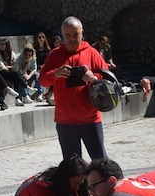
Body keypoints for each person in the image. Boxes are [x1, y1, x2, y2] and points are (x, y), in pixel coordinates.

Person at [39, 16, 109, 160]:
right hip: (65, 122)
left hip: (90, 120)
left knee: (101, 163)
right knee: (73, 169)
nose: (72, 38)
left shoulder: (92, 53)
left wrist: (93, 78)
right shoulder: (54, 55)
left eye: (76, 34)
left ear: (82, 33)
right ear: (62, 35)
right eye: (68, 35)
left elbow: (108, 80)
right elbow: (43, 81)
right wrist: (55, 73)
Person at [0, 39, 31, 106]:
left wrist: (9, 67)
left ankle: (18, 98)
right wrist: (9, 67)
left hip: (10, 72)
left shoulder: (11, 53)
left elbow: (15, 65)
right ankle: (26, 87)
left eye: (3, 44)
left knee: (16, 75)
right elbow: (1, 66)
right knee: (15, 74)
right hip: (1, 72)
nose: (1, 46)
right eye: (0, 44)